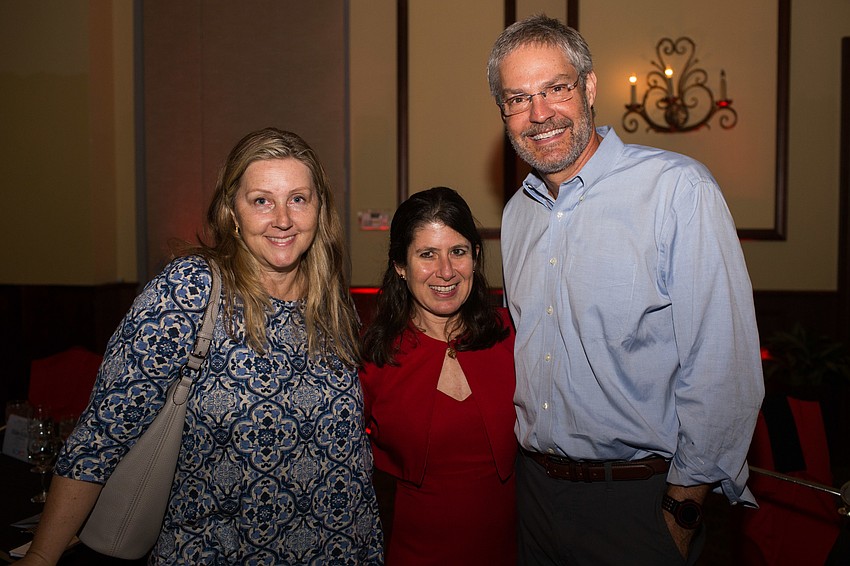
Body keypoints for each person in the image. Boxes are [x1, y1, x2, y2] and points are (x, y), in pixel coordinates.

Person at [20, 128, 384, 565]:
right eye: (262, 200)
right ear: (232, 212)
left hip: (341, 549)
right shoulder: (190, 289)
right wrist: (41, 556)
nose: (283, 218)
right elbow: (102, 434)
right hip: (218, 551)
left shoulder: (330, 300)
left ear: (319, 209)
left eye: (298, 199)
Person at [487, 15, 765, 565]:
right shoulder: (518, 213)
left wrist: (682, 511)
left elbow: (723, 367)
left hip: (639, 503)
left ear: (589, 87)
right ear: (503, 112)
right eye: (518, 99)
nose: (539, 114)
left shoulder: (676, 190)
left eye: (556, 88)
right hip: (534, 496)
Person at [359, 187, 518, 565]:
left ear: (475, 257)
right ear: (401, 265)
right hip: (415, 553)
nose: (446, 271)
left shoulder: (513, 334)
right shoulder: (375, 358)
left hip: (513, 552)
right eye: (427, 254)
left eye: (458, 252)